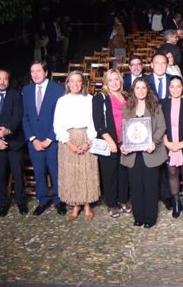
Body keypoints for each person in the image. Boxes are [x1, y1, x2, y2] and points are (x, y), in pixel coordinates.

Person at [120, 78, 167, 228]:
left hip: (150, 152)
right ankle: (138, 216)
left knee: (150, 186)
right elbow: (124, 130)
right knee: (135, 186)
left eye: (143, 88)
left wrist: (154, 141)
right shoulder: (127, 108)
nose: (140, 91)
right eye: (137, 88)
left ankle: (150, 217)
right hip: (133, 155)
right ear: (133, 90)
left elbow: (162, 127)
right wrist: (123, 144)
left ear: (148, 90)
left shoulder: (155, 107)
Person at [22, 61, 67, 216]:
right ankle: (42, 200)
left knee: (55, 171)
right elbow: (25, 117)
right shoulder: (26, 90)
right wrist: (33, 139)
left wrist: (50, 138)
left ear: (46, 72)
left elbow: (61, 117)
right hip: (34, 141)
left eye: (38, 71)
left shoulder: (58, 89)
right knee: (39, 172)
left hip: (52, 140)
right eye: (32, 71)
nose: (35, 74)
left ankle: (59, 200)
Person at [53, 71, 99, 221]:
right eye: (72, 81)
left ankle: (87, 205)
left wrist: (88, 142)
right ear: (67, 84)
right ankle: (75, 205)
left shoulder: (90, 99)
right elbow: (57, 125)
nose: (75, 84)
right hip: (68, 141)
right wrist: (70, 144)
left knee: (86, 173)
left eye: (78, 81)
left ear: (83, 83)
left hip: (86, 137)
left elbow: (94, 123)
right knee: (72, 174)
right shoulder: (62, 101)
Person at [0, 69, 27, 217]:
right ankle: (3, 203)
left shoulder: (16, 95)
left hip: (15, 141)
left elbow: (18, 116)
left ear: (8, 81)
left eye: (5, 79)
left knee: (18, 172)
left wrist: (8, 130)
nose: (2, 82)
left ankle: (21, 201)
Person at [92, 70, 129, 217]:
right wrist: (110, 141)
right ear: (106, 82)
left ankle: (123, 200)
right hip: (109, 141)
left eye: (116, 79)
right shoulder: (100, 98)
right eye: (110, 80)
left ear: (120, 81)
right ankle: (111, 204)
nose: (114, 83)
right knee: (110, 174)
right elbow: (98, 123)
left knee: (123, 173)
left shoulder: (126, 96)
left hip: (125, 141)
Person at [160, 75, 183, 218]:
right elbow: (159, 126)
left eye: (178, 86)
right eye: (172, 86)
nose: (175, 89)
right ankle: (176, 202)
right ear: (169, 88)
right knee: (172, 172)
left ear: (182, 88)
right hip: (168, 142)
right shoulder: (163, 104)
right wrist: (167, 143)